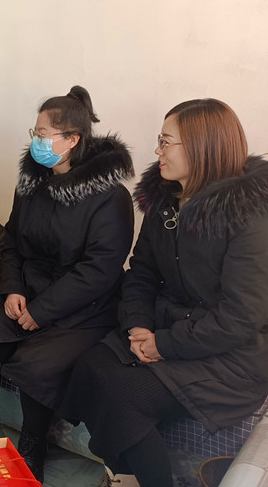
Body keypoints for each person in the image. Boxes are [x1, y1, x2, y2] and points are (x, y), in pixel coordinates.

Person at [61, 99, 268, 487]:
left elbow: (240, 318)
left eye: (165, 141)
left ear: (202, 147)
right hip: (165, 326)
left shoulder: (249, 216)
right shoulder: (165, 201)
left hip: (231, 355)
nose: (157, 150)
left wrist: (164, 345)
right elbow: (141, 271)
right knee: (90, 366)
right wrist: (138, 325)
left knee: (123, 395)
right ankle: (126, 476)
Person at [0, 86, 135, 480]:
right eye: (34, 133)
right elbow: (14, 241)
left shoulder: (110, 197)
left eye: (43, 134)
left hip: (85, 306)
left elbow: (100, 270)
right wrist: (13, 288)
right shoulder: (31, 184)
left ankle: (33, 443)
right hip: (30, 290)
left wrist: (42, 311)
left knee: (39, 363)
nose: (36, 141)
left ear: (72, 140)